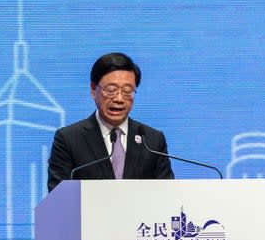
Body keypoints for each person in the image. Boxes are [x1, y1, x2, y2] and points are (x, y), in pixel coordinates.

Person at [46, 52, 174, 192]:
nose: (119, 98)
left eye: (127, 91)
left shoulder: (152, 140)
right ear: (93, 90)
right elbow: (57, 197)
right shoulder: (68, 139)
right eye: (111, 90)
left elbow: (166, 196)